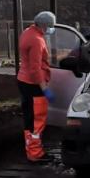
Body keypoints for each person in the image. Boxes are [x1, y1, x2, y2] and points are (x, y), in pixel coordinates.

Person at [17, 11, 57, 162]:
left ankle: (31, 150)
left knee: (29, 119)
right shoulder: (37, 40)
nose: (51, 29)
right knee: (37, 120)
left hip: (24, 81)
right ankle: (35, 154)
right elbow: (35, 69)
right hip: (33, 85)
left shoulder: (27, 32)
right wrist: (45, 88)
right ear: (45, 25)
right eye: (51, 26)